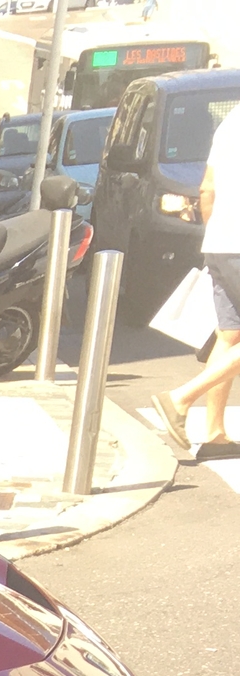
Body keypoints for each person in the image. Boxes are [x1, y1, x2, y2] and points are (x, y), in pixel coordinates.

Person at [152, 95, 240, 459]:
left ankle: (216, 432)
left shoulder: (231, 121)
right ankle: (180, 398)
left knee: (230, 334)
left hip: (220, 240)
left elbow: (207, 189)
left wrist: (216, 232)